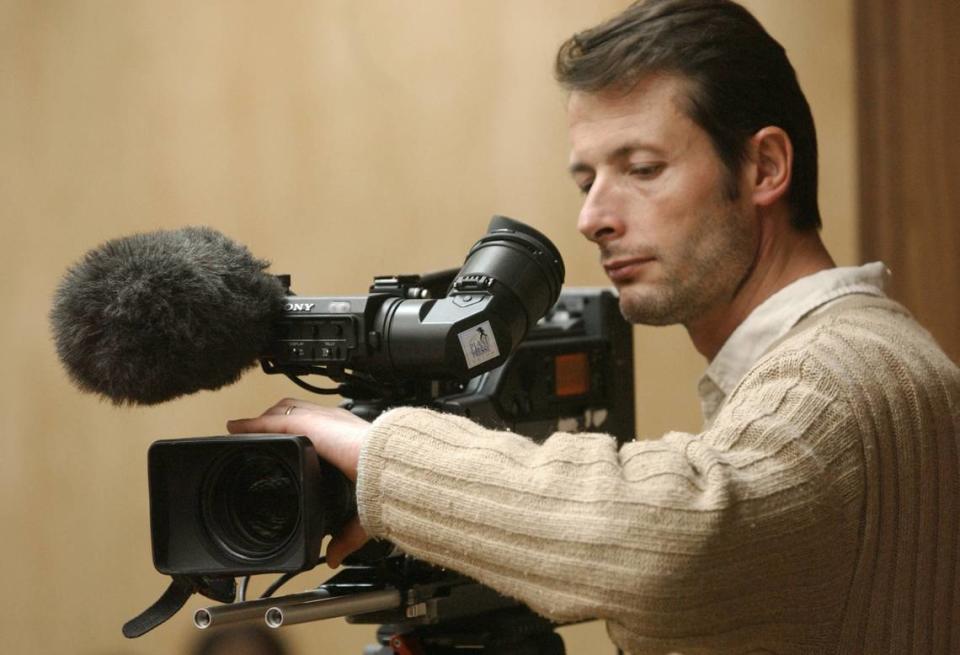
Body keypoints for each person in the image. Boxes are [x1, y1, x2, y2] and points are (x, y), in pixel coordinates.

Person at [227, 1, 960, 652]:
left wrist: (379, 452)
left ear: (765, 166)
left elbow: (669, 537)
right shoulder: (878, 353)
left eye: (641, 168)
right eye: (586, 181)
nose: (593, 218)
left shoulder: (832, 378)